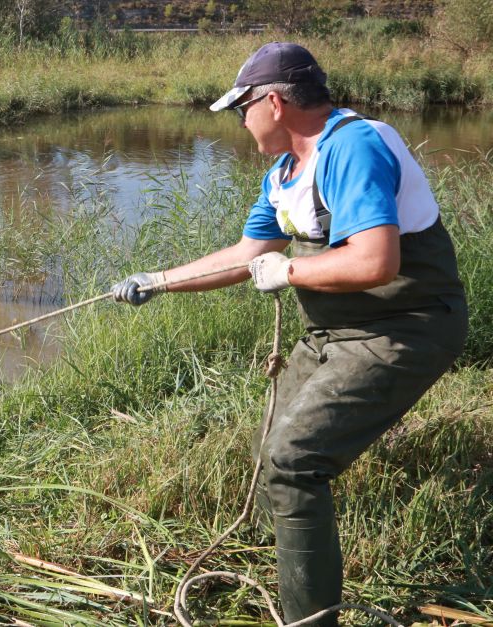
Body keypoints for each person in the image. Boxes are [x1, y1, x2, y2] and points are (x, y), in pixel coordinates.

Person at [111, 42, 466, 625]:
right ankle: (284, 561)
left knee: (294, 460)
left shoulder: (353, 146)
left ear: (271, 102)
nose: (241, 122)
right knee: (270, 447)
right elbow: (250, 253)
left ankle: (309, 617)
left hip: (406, 327)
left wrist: (291, 271)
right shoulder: (286, 173)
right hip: (336, 330)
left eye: (240, 109)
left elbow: (376, 262)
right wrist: (159, 280)